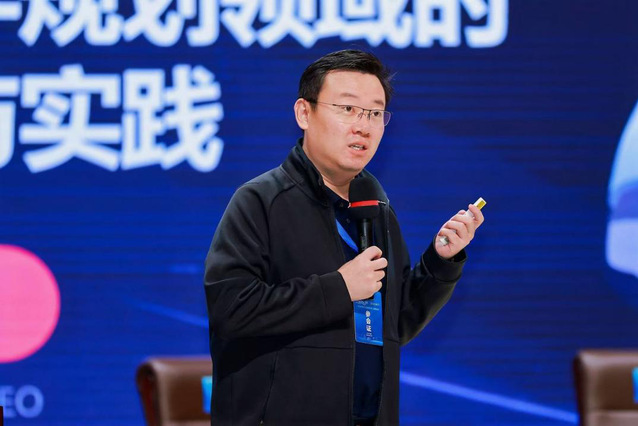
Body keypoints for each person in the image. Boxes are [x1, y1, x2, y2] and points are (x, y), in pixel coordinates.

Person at [204, 49, 485, 426]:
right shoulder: (261, 200)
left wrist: (440, 261)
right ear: (304, 113)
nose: (363, 126)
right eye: (348, 109)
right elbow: (232, 312)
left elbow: (394, 325)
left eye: (374, 113)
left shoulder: (376, 207)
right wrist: (338, 289)